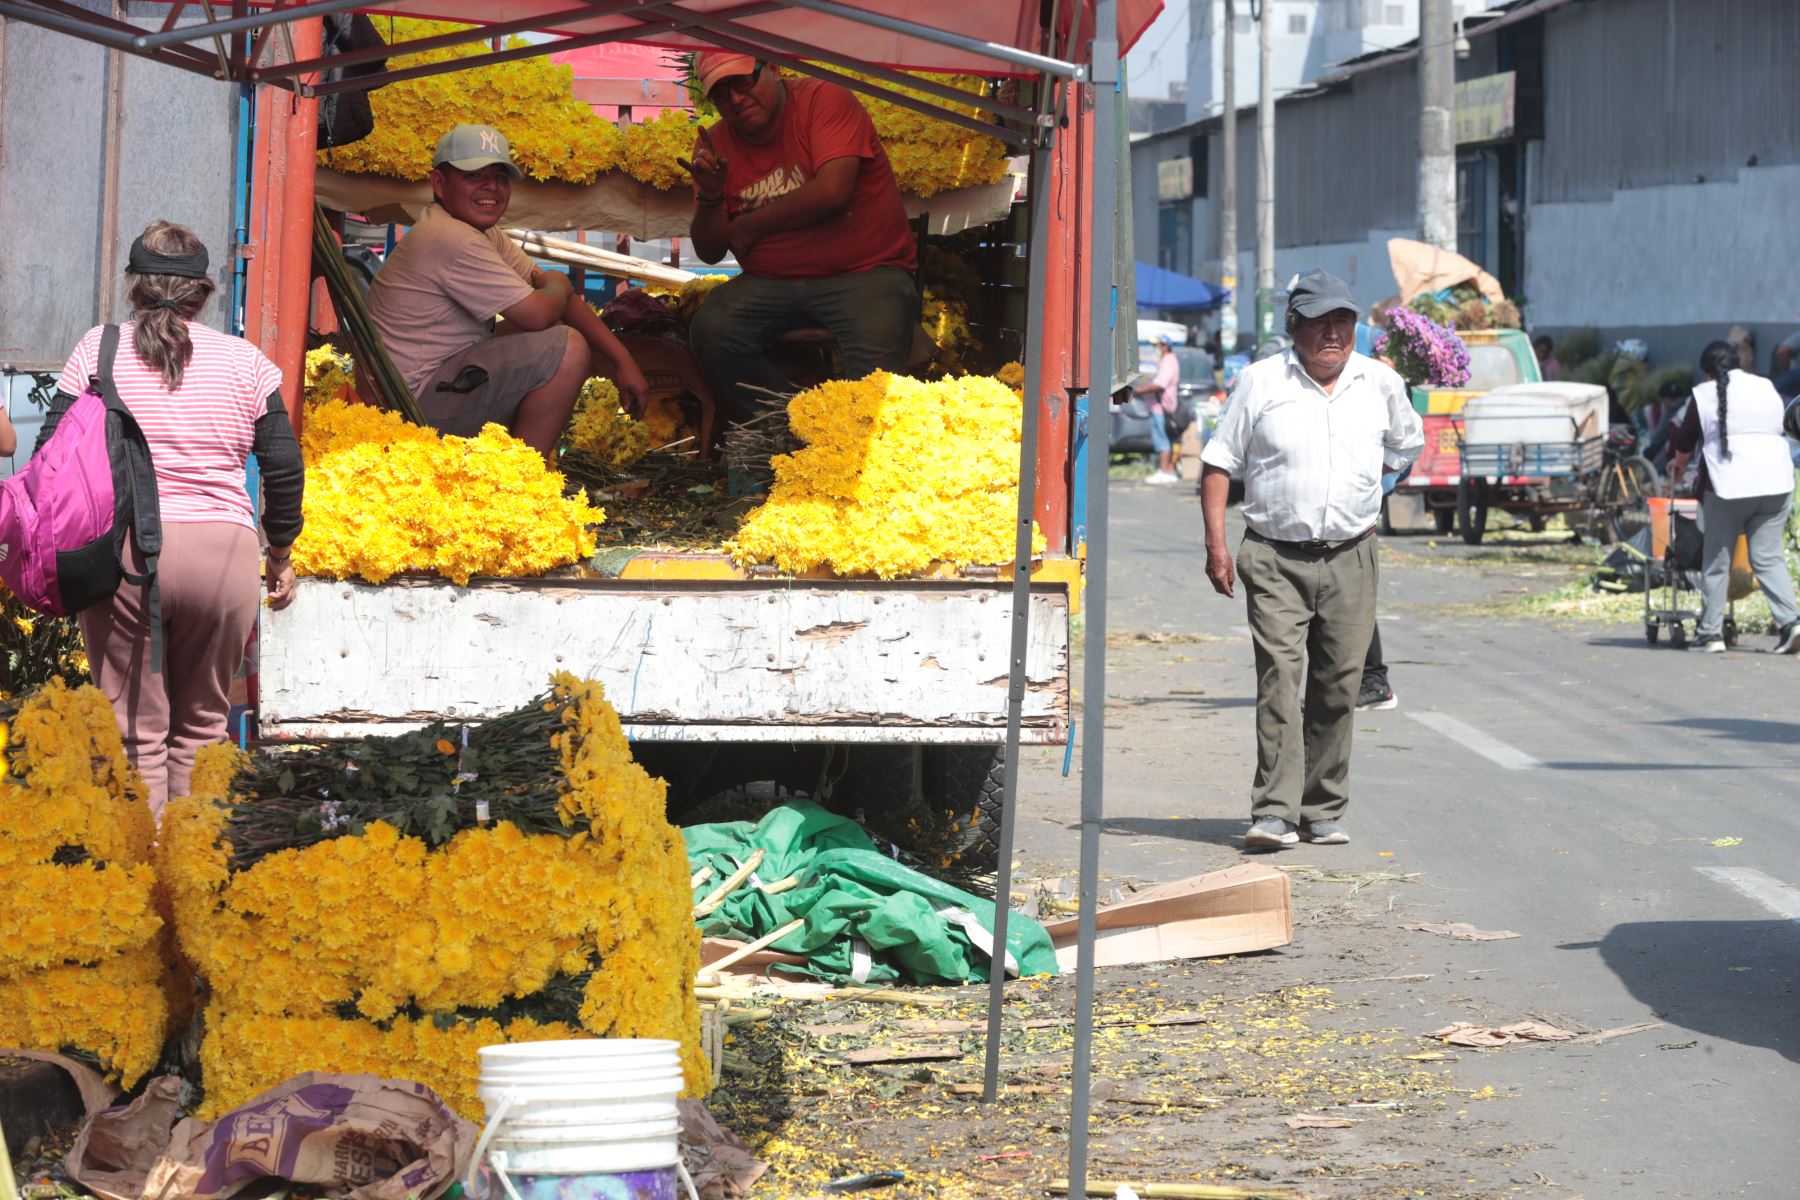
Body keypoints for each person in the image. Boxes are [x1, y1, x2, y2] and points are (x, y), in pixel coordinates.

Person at [35, 221, 305, 817]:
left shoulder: (98, 350)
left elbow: (49, 457)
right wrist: (280, 554)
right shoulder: (247, 362)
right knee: (204, 732)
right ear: (204, 295)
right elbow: (283, 467)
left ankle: (143, 884)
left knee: (134, 737)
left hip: (127, 559)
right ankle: (197, 875)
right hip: (225, 559)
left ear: (133, 287)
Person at [1199, 269, 1423, 849]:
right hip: (1274, 555)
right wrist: (1216, 544)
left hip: (1352, 555)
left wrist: (1363, 490)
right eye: (1320, 322)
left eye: (1343, 321)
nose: (1333, 333)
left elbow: (1405, 447)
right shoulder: (1260, 382)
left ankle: (1321, 808)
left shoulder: (1380, 383)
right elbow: (1219, 464)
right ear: (1293, 326)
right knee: (1279, 678)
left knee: (1340, 684)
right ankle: (1274, 810)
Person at [367, 124, 647, 461]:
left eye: (500, 177)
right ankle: (519, 485)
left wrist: (624, 362)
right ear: (439, 184)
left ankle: (507, 474)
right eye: (474, 176)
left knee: (540, 331)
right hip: (406, 408)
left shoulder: (480, 231)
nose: (491, 188)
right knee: (567, 348)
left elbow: (558, 301)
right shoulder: (450, 237)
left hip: (425, 388)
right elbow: (541, 308)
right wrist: (558, 281)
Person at [680, 52, 920, 419]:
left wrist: (750, 225)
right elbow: (711, 252)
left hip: (865, 271)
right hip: (771, 281)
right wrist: (711, 195)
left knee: (878, 355)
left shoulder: (825, 99)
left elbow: (831, 193)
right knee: (712, 328)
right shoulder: (713, 146)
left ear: (773, 69)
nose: (736, 99)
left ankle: (858, 443)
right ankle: (782, 431)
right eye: (722, 93)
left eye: (743, 81)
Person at [1668, 340, 1799, 655]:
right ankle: (1791, 623)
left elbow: (1685, 439)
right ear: (1738, 363)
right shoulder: (1765, 386)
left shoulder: (1703, 394)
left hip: (1729, 486)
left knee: (1716, 561)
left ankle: (1711, 634)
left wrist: (1678, 465)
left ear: (1707, 372)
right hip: (1776, 481)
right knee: (1767, 558)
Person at [1132, 336, 1180, 484]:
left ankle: (1164, 471)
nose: (1155, 348)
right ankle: (1167, 470)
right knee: (1164, 438)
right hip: (1157, 405)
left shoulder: (1168, 361)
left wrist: (1139, 390)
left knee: (1162, 439)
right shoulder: (1166, 360)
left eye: (1157, 345)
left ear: (1165, 346)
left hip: (1161, 406)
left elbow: (1159, 384)